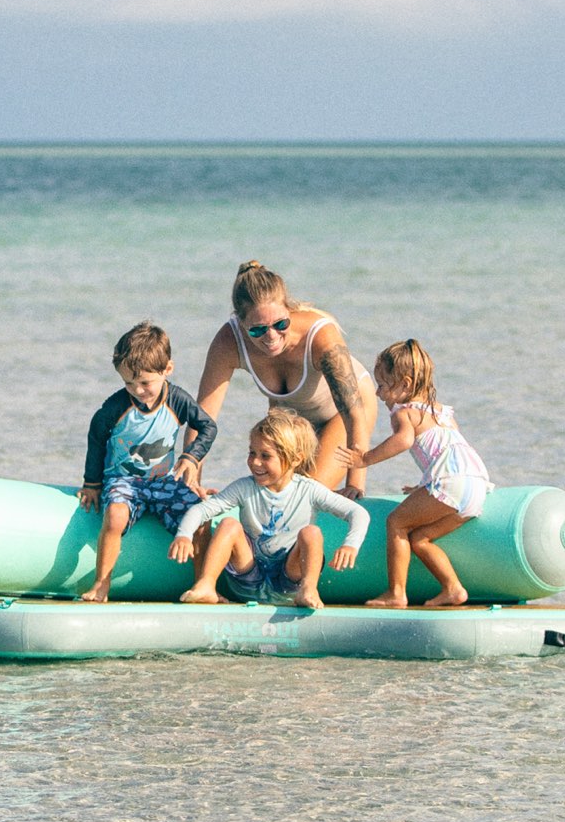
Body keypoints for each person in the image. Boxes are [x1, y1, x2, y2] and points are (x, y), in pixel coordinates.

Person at [181, 261, 378, 499]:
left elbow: (353, 414)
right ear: (241, 324)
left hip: (344, 413)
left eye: (281, 324)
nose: (271, 336)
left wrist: (355, 486)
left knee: (304, 493)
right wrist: (192, 483)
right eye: (257, 330)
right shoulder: (228, 342)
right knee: (268, 489)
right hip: (292, 422)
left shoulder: (320, 337)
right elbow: (203, 417)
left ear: (288, 309)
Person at [335, 338, 493, 608]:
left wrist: (365, 459)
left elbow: (404, 441)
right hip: (476, 487)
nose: (378, 394)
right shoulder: (442, 412)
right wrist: (424, 485)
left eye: (382, 386)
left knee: (396, 522)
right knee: (420, 538)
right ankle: (453, 588)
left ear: (405, 385)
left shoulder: (404, 413)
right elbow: (448, 451)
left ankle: (396, 593)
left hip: (450, 484)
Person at [169, 408, 369, 609]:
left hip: (290, 581)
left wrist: (350, 545)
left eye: (266, 455)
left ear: (296, 459)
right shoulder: (244, 487)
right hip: (248, 577)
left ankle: (308, 589)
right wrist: (184, 535)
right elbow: (201, 510)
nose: (255, 462)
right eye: (252, 453)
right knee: (228, 524)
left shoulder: (309, 490)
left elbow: (358, 513)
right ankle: (206, 585)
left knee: (311, 533)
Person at [77, 321, 217, 603]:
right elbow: (96, 437)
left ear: (167, 370)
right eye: (128, 382)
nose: (137, 390)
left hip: (164, 481)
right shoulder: (116, 407)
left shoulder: (177, 400)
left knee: (200, 518)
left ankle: (203, 585)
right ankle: (102, 583)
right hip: (123, 480)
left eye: (144, 383)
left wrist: (191, 457)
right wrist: (92, 484)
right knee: (115, 515)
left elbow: (208, 427)